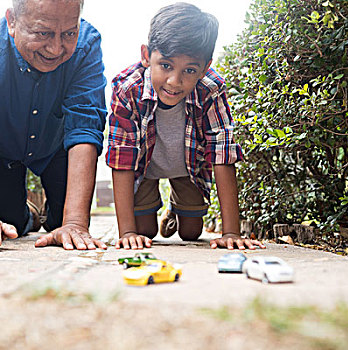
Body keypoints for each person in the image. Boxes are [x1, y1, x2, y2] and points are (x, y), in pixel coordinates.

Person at [0, 0, 108, 253]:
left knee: (63, 225)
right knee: (10, 223)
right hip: (0, 151)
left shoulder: (87, 43)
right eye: (42, 33)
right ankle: (31, 216)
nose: (56, 48)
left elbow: (85, 127)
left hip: (58, 146)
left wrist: (75, 223)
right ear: (12, 21)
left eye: (69, 33)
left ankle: (54, 217)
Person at [105, 2, 266, 250]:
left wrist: (231, 232)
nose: (174, 81)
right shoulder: (127, 89)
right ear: (146, 56)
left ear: (205, 68)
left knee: (191, 233)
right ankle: (152, 211)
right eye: (166, 66)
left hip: (188, 166)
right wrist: (126, 232)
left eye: (189, 70)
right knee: (144, 231)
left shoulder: (211, 89)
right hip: (144, 167)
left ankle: (175, 208)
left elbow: (222, 151)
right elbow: (122, 155)